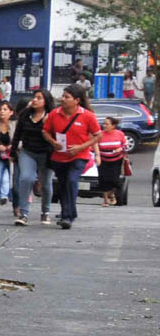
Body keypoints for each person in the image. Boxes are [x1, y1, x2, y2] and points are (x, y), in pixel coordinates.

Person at [43, 83, 101, 229]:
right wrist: (53, 142)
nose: (63, 99)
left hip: (79, 156)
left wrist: (81, 147)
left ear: (77, 100)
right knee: (63, 185)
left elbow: (97, 136)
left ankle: (67, 217)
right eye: (62, 96)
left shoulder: (87, 116)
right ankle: (68, 212)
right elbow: (45, 131)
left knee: (71, 181)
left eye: (67, 97)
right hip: (59, 157)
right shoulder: (54, 114)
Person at [13, 89, 53, 226]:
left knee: (46, 183)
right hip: (27, 151)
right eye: (34, 97)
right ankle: (23, 213)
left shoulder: (51, 116)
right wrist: (13, 151)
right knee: (26, 178)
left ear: (46, 101)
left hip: (46, 153)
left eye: (39, 98)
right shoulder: (25, 114)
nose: (34, 100)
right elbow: (17, 133)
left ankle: (45, 212)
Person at [98, 116, 131, 206]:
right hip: (103, 160)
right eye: (103, 124)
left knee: (114, 180)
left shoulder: (119, 134)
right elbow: (93, 146)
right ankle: (105, 200)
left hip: (116, 160)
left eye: (107, 124)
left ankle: (112, 193)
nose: (104, 125)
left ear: (113, 125)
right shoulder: (100, 134)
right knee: (103, 180)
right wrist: (96, 155)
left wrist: (120, 149)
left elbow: (126, 145)